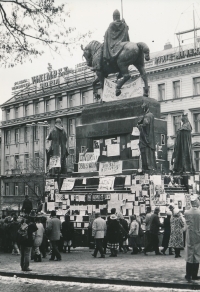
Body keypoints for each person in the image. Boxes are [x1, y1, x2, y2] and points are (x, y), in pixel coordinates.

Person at [137, 100, 157, 172]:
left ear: (145, 107)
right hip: (150, 138)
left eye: (143, 107)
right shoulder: (151, 115)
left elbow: (145, 125)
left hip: (146, 139)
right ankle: (151, 167)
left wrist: (139, 126)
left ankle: (147, 167)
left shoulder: (147, 115)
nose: (142, 108)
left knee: (145, 155)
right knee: (150, 155)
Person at [184, 194, 200, 282]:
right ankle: (194, 275)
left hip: (189, 236)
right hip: (198, 236)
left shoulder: (186, 212)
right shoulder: (199, 212)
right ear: (196, 202)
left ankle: (188, 274)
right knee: (197, 255)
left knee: (189, 254)